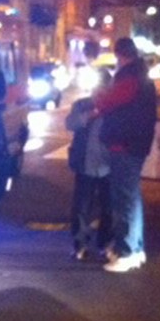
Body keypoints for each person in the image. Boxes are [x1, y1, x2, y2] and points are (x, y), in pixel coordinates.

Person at [94, 37, 157, 273]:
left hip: (125, 144)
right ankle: (135, 247)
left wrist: (97, 93)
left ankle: (126, 251)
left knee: (124, 200)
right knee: (132, 197)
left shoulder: (129, 77)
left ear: (120, 54)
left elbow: (107, 102)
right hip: (134, 143)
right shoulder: (140, 75)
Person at [65, 93, 111, 261]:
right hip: (85, 164)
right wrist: (87, 115)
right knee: (82, 207)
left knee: (109, 207)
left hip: (108, 165)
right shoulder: (83, 104)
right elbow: (69, 124)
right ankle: (80, 245)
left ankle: (105, 243)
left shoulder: (114, 103)